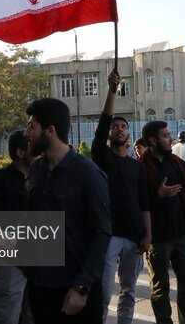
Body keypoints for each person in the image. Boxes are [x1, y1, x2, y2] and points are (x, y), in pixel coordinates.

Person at [24, 98, 111, 324]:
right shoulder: (36, 171)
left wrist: (81, 287)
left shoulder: (88, 174)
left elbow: (101, 233)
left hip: (76, 292)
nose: (27, 133)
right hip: (40, 287)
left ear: (50, 131)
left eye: (32, 126)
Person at [92, 70, 151, 324]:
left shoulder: (136, 166)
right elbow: (104, 119)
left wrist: (147, 234)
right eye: (115, 127)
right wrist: (112, 90)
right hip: (109, 236)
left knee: (128, 292)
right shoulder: (101, 156)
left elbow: (144, 202)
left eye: (123, 126)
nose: (118, 129)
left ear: (129, 135)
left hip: (134, 238)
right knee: (104, 292)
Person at [140, 120, 185, 324]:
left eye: (169, 134)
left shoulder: (176, 163)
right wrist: (158, 194)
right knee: (160, 288)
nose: (170, 138)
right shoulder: (141, 168)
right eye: (165, 136)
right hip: (157, 239)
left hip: (181, 234)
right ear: (153, 140)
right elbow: (138, 203)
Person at [0, 130, 34, 324]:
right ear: (20, 152)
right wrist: (26, 190)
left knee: (35, 313)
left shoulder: (45, 176)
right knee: (7, 314)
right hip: (10, 254)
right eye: (33, 146)